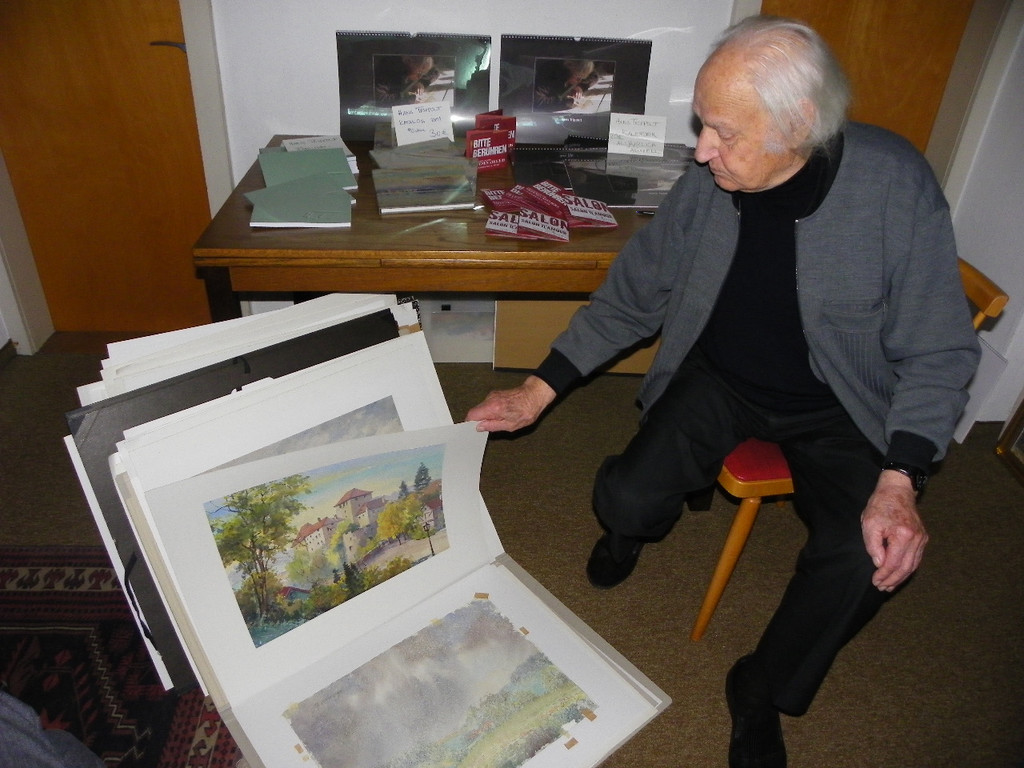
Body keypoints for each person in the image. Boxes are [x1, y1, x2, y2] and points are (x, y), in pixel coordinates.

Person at [467, 14, 980, 768]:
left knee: (862, 556)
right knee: (627, 498)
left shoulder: (894, 186)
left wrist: (902, 478)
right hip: (721, 375)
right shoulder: (712, 182)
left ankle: (760, 688)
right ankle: (630, 530)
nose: (703, 150)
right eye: (702, 124)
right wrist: (541, 390)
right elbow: (635, 295)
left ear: (799, 123)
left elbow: (940, 349)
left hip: (841, 405)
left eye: (725, 133)